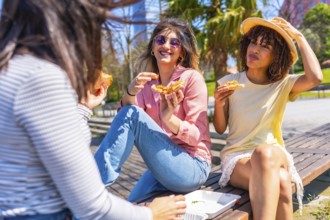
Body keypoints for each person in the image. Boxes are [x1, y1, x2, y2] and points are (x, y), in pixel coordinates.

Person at [0, 1, 186, 219]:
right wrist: (151, 213)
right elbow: (91, 207)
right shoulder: (41, 78)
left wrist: (83, 108)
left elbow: (49, 149)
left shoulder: (12, 71)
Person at [213, 17, 322, 220]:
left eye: (265, 46)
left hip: (273, 154)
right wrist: (219, 103)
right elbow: (220, 128)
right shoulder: (229, 83)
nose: (255, 49)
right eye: (253, 42)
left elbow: (315, 77)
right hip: (237, 158)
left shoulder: (282, 84)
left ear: (276, 56)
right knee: (281, 182)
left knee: (264, 153)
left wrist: (298, 36)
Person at [94, 18, 212, 202]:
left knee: (131, 114)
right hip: (162, 166)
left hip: (193, 165)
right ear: (152, 47)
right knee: (132, 205)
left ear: (181, 52)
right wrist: (130, 92)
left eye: (175, 42)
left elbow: (197, 136)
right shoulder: (148, 84)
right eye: (160, 40)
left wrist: (169, 118)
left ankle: (90, 187)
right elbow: (125, 124)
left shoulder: (191, 79)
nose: (166, 45)